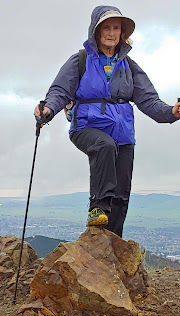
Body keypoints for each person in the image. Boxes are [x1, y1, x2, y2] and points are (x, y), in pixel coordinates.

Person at [34, 5, 180, 238]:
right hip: (86, 128)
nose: (111, 33)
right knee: (104, 146)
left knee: (122, 193)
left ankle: (112, 243)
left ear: (122, 33)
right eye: (106, 28)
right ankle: (97, 208)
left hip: (123, 134)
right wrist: (48, 109)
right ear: (96, 31)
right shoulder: (80, 60)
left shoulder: (129, 66)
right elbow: (60, 90)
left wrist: (172, 112)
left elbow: (149, 101)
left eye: (116, 28)